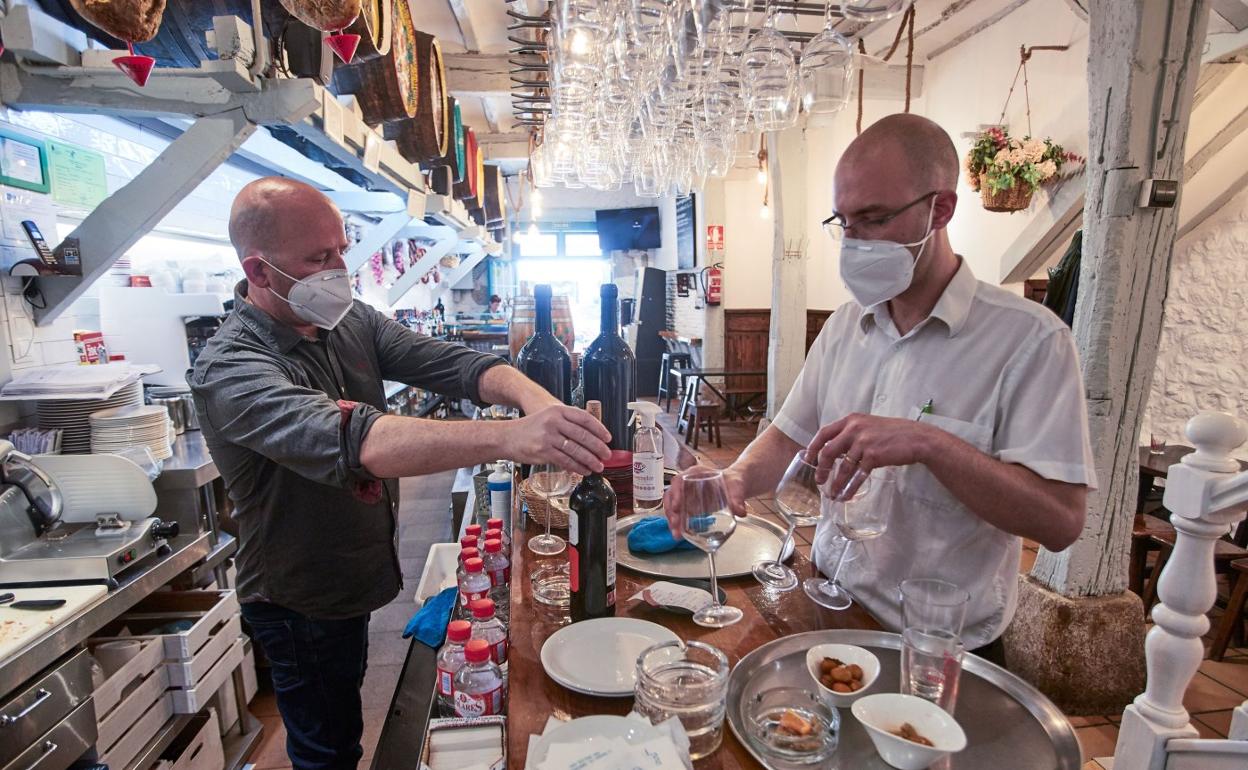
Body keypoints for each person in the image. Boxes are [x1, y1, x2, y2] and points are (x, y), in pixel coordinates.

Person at [191, 177, 610, 770]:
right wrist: (512, 437)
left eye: (341, 248)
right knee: (327, 749)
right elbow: (362, 440)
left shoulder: (347, 321)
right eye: (319, 258)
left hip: (355, 571)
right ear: (259, 273)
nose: (340, 267)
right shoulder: (232, 367)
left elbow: (452, 364)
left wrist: (531, 397)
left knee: (345, 718)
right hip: (301, 596)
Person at [665, 114, 1096, 661]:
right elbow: (790, 434)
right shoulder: (847, 325)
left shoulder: (1029, 341)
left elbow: (1059, 521)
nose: (854, 241)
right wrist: (733, 478)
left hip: (938, 646)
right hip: (825, 600)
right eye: (843, 222)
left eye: (872, 218)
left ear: (940, 209)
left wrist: (930, 444)